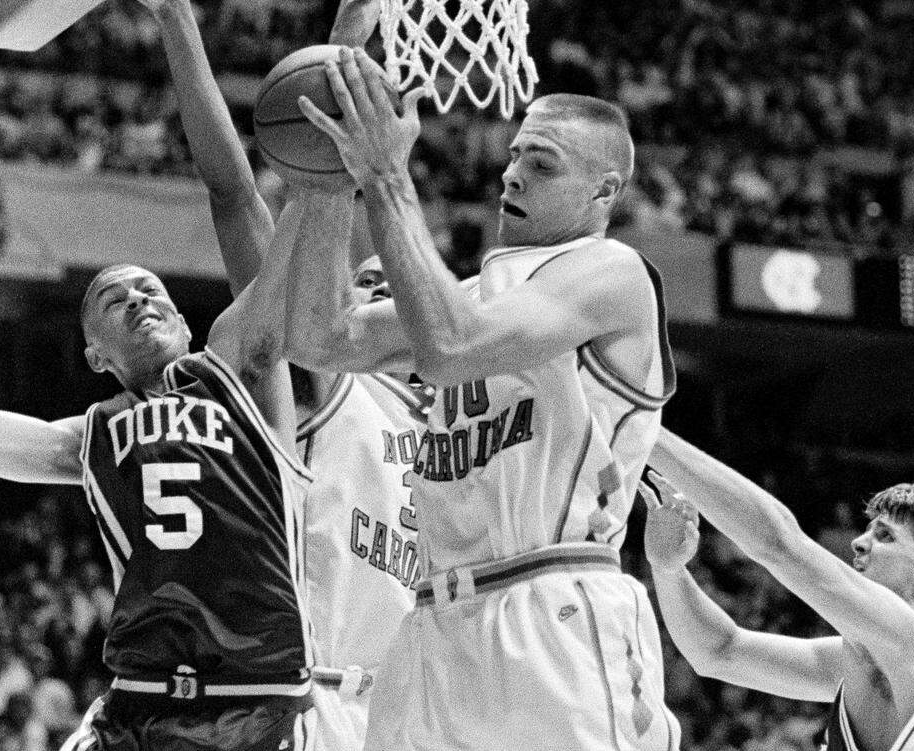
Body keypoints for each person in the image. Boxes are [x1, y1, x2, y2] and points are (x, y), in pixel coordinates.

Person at [290, 49, 680, 749]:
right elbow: (321, 336)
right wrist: (332, 180)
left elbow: (451, 347)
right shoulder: (471, 295)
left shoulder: (613, 273)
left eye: (544, 163)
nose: (512, 173)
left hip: (552, 606)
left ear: (604, 191)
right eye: (516, 154)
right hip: (432, 623)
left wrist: (385, 174)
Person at [92, 2, 424, 748]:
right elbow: (237, 198)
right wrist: (181, 21)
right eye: (360, 283)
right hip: (303, 700)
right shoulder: (324, 375)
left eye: (383, 284)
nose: (371, 291)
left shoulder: (457, 425)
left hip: (417, 711)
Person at [0, 156, 320, 751]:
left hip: (254, 695)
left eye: (149, 290)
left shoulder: (240, 378)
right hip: (141, 695)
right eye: (112, 300)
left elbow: (262, 246)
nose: (136, 299)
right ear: (96, 356)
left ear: (183, 323)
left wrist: (314, 179)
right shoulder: (95, 434)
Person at [642, 429, 914, 751]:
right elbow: (718, 651)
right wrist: (669, 568)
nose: (857, 542)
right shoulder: (854, 661)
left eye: (885, 535)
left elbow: (779, 545)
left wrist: (645, 432)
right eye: (867, 530)